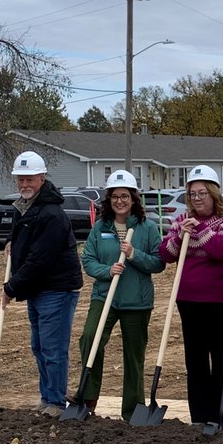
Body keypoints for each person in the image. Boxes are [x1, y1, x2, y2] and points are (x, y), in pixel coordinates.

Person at [2, 151, 83, 418]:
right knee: (39, 346)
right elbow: (27, 238)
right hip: (39, 288)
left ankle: (56, 402)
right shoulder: (26, 207)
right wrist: (13, 242)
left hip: (56, 289)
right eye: (20, 179)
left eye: (29, 179)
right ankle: (47, 397)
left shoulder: (51, 213)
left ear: (42, 178)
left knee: (52, 348)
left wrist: (11, 288)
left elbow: (40, 260)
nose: (24, 184)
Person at [78, 170, 163, 421]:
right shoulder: (100, 228)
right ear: (109, 199)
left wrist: (134, 254)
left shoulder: (147, 228)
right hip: (105, 296)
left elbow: (158, 263)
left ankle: (133, 409)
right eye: (115, 196)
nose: (119, 201)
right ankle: (88, 397)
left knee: (134, 355)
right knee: (90, 338)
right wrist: (107, 270)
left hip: (137, 300)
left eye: (124, 196)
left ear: (133, 198)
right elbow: (88, 260)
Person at [159, 165, 223, 425]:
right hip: (189, 301)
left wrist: (201, 231)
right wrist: (179, 237)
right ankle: (200, 417)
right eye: (192, 194)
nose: (196, 199)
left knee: (221, 359)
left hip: (221, 301)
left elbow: (222, 250)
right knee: (195, 361)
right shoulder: (181, 221)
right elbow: (166, 254)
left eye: (202, 193)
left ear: (213, 194)